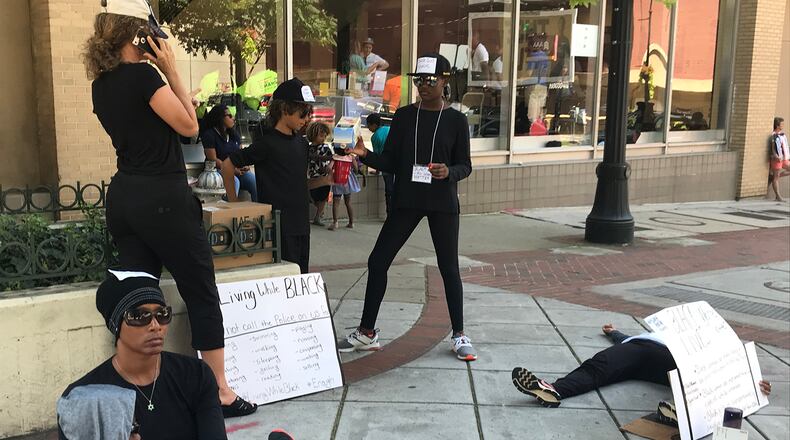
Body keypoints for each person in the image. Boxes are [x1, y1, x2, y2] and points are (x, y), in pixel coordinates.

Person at [82, 0, 254, 417]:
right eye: (149, 31)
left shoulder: (101, 84)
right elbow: (191, 127)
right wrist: (172, 70)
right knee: (200, 289)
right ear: (135, 34)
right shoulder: (143, 76)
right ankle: (219, 392)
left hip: (125, 197)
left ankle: (136, 388)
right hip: (163, 197)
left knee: (137, 294)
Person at [341, 53, 477, 361]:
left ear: (445, 80)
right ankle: (367, 332)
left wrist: (449, 172)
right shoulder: (403, 116)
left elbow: (465, 165)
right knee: (378, 261)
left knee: (448, 267)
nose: (424, 86)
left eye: (430, 80)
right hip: (407, 200)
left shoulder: (456, 120)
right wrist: (366, 155)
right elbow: (390, 161)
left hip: (442, 201)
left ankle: (459, 334)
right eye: (419, 80)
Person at [58, 271, 227, 439]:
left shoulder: (196, 375)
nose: (155, 325)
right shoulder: (83, 398)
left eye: (162, 314)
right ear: (115, 325)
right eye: (139, 316)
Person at [511, 323, 772, 408]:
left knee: (693, 377)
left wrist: (751, 383)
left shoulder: (692, 343)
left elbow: (719, 365)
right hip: (634, 353)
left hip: (668, 357)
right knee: (598, 366)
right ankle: (553, 390)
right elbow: (622, 338)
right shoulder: (641, 336)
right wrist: (613, 332)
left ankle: (680, 414)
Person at [221, 78, 314, 274]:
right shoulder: (267, 144)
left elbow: (298, 180)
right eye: (303, 112)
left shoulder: (302, 143)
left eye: (309, 113)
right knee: (283, 279)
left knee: (300, 278)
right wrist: (234, 203)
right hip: (278, 225)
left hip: (302, 224)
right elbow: (228, 165)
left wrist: (326, 180)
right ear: (284, 109)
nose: (307, 118)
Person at [202, 104, 258, 202]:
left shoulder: (233, 134)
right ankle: (231, 213)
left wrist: (244, 165)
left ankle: (259, 212)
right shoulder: (209, 134)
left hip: (236, 168)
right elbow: (213, 159)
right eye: (230, 116)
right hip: (218, 170)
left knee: (254, 181)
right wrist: (232, 169)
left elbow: (241, 153)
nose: (233, 119)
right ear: (220, 118)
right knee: (233, 181)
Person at [306, 121, 334, 226]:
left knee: (322, 198)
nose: (323, 138)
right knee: (312, 196)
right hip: (312, 176)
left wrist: (329, 167)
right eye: (321, 136)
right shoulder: (308, 148)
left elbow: (332, 158)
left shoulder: (325, 147)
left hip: (323, 177)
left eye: (324, 136)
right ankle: (315, 215)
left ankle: (318, 216)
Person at [366, 113, 393, 216]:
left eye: (368, 125)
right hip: (398, 164)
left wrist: (377, 170)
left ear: (374, 125)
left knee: (389, 190)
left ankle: (389, 214)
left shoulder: (375, 137)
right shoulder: (389, 129)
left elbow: (377, 157)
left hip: (386, 166)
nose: (368, 128)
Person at [328, 153, 361, 231]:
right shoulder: (351, 157)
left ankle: (335, 222)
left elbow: (329, 168)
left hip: (338, 179)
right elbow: (356, 169)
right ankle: (351, 222)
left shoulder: (335, 157)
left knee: (336, 202)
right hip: (347, 180)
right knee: (348, 202)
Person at [768, 116, 790, 201]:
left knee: (776, 176)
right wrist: (776, 156)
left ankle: (773, 177)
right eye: (782, 124)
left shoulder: (782, 135)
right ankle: (778, 196)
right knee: (776, 177)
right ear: (777, 126)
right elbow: (773, 148)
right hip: (776, 159)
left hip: (784, 158)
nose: (783, 125)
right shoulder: (774, 135)